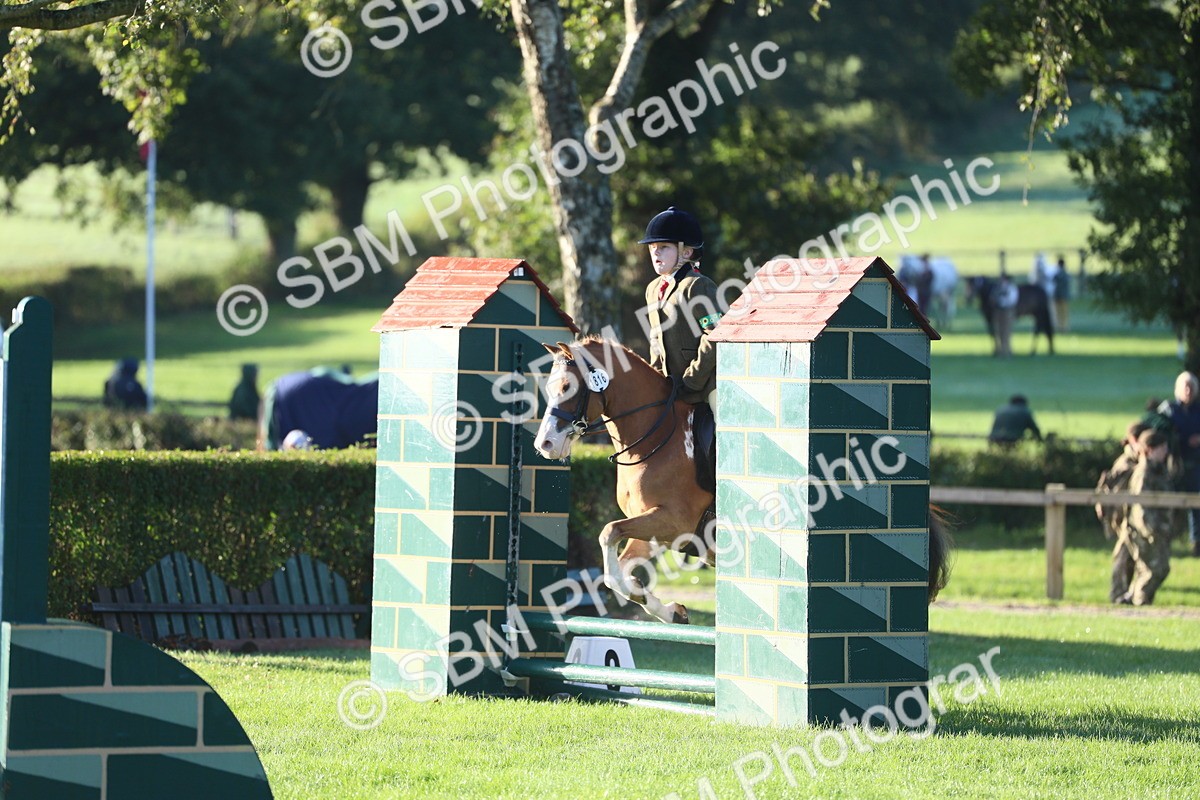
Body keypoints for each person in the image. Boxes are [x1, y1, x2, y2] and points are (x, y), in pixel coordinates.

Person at [639, 206, 719, 405]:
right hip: (669, 389)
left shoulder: (698, 286)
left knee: (722, 424)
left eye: (664, 246)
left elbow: (714, 336)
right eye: (652, 247)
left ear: (686, 252)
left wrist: (692, 380)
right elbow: (655, 338)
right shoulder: (652, 288)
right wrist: (655, 379)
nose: (655, 252)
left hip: (704, 387)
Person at [1116, 429, 1180, 604]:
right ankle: (1138, 603)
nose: (1165, 452)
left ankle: (1133, 599)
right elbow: (1140, 506)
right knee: (1153, 570)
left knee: (1157, 569)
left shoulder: (1160, 471)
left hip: (1160, 529)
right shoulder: (1144, 473)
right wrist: (1151, 530)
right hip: (1147, 531)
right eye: (1161, 448)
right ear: (1150, 450)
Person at [1096, 422, 1147, 602]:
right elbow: (1118, 495)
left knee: (1132, 558)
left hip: (1132, 519)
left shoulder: (1136, 461)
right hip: (1124, 518)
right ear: (1133, 440)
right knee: (1124, 557)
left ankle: (1126, 595)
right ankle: (1118, 595)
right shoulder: (1126, 463)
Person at [1159, 371, 1200, 555]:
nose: (1188, 390)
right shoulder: (1168, 410)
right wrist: (1179, 439)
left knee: (1196, 505)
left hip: (1195, 463)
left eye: (1191, 387)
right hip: (1173, 464)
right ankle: (1165, 540)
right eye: (1185, 387)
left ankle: (1196, 542)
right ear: (1178, 389)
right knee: (1169, 503)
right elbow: (1159, 432)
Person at [990, 274, 1019, 358]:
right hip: (998, 310)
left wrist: (1002, 301)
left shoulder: (1011, 288)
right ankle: (1000, 350)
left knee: (1007, 331)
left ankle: (1007, 350)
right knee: (999, 331)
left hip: (1007, 310)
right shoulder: (997, 288)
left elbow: (1012, 299)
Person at [1052, 255, 1071, 332]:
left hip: (1058, 295)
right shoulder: (1066, 274)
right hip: (1063, 296)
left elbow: (1053, 280)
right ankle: (1063, 326)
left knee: (1059, 312)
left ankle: (1061, 326)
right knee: (1063, 312)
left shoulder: (1058, 274)